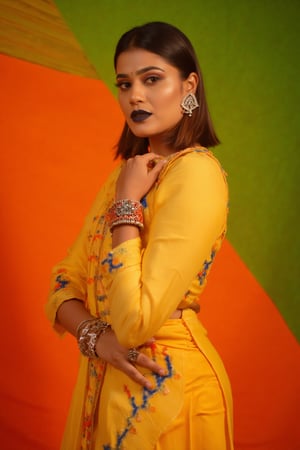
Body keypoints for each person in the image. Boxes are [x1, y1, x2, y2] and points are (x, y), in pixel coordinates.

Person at [46, 21, 234, 450]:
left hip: (166, 390)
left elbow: (135, 324)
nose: (135, 95)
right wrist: (98, 341)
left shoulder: (196, 175)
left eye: (152, 79)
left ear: (189, 86)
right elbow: (61, 287)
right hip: (103, 383)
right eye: (124, 83)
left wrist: (127, 206)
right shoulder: (124, 176)